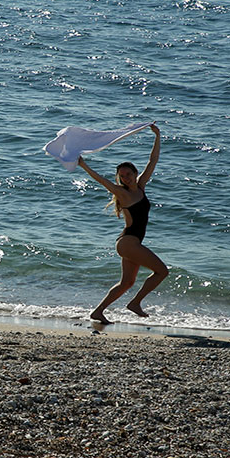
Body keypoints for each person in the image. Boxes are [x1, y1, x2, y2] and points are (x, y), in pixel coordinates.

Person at [76, 124, 168, 324]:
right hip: (129, 243)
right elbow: (101, 181)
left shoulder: (141, 187)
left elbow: (153, 160)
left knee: (126, 282)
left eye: (128, 174)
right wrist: (84, 166)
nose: (125, 178)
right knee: (162, 271)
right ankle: (135, 303)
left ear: (135, 173)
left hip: (128, 243)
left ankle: (98, 312)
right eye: (122, 176)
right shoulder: (123, 194)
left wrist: (157, 136)